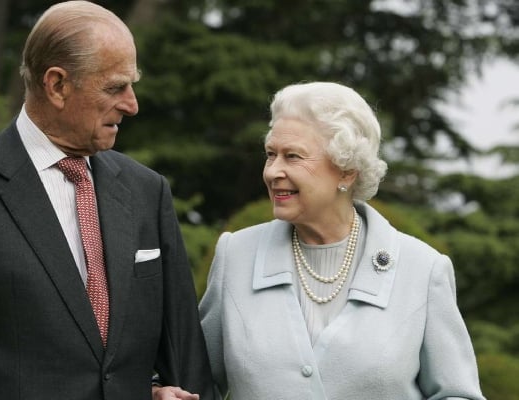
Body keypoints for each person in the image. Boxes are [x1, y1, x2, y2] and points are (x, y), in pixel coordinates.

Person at [0, 2, 214, 399]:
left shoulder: (147, 191)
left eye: (132, 85)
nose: (132, 104)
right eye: (115, 87)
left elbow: (185, 360)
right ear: (57, 85)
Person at [198, 81, 485, 399]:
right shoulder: (236, 255)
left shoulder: (422, 269)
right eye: (270, 154)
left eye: (293, 156)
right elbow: (195, 382)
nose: (272, 171)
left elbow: (457, 393)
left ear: (347, 171)